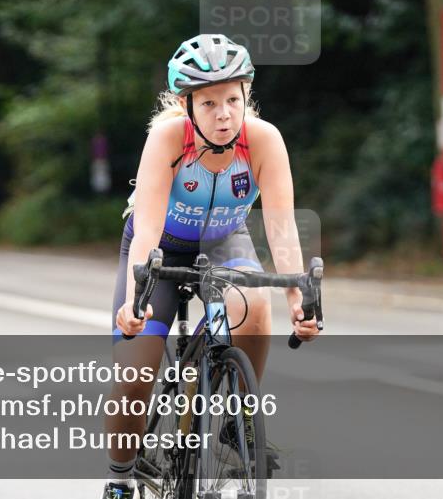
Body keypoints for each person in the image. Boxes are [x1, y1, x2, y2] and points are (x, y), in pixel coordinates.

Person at [102, 34, 321, 499]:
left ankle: (236, 421)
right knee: (134, 375)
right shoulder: (167, 138)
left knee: (255, 306)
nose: (223, 114)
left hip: (224, 242)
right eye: (208, 104)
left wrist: (299, 301)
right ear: (187, 105)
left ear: (246, 96)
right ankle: (121, 474)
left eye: (232, 100)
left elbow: (281, 230)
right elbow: (145, 231)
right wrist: (133, 301)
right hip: (161, 246)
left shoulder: (263, 141)